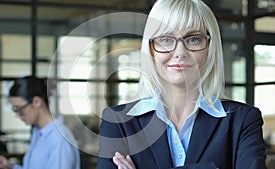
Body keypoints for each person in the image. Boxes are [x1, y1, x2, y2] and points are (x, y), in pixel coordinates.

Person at [96, 0, 267, 169]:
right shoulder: (118, 122)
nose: (180, 52)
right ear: (151, 50)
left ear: (210, 48)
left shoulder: (243, 121)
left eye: (193, 39)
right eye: (166, 40)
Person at [0, 76, 80, 169]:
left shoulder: (59, 139)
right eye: (15, 109)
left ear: (37, 102)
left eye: (20, 109)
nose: (18, 115)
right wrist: (10, 166)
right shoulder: (38, 132)